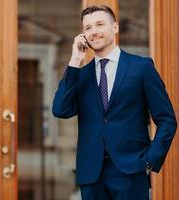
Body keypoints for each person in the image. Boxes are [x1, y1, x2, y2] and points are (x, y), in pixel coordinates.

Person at [52, 5, 177, 200]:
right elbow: (60, 110)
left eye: (100, 24)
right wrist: (75, 60)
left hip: (131, 170)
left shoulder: (141, 67)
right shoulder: (80, 74)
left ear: (115, 28)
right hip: (91, 174)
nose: (94, 31)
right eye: (88, 28)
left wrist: (150, 160)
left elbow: (167, 120)